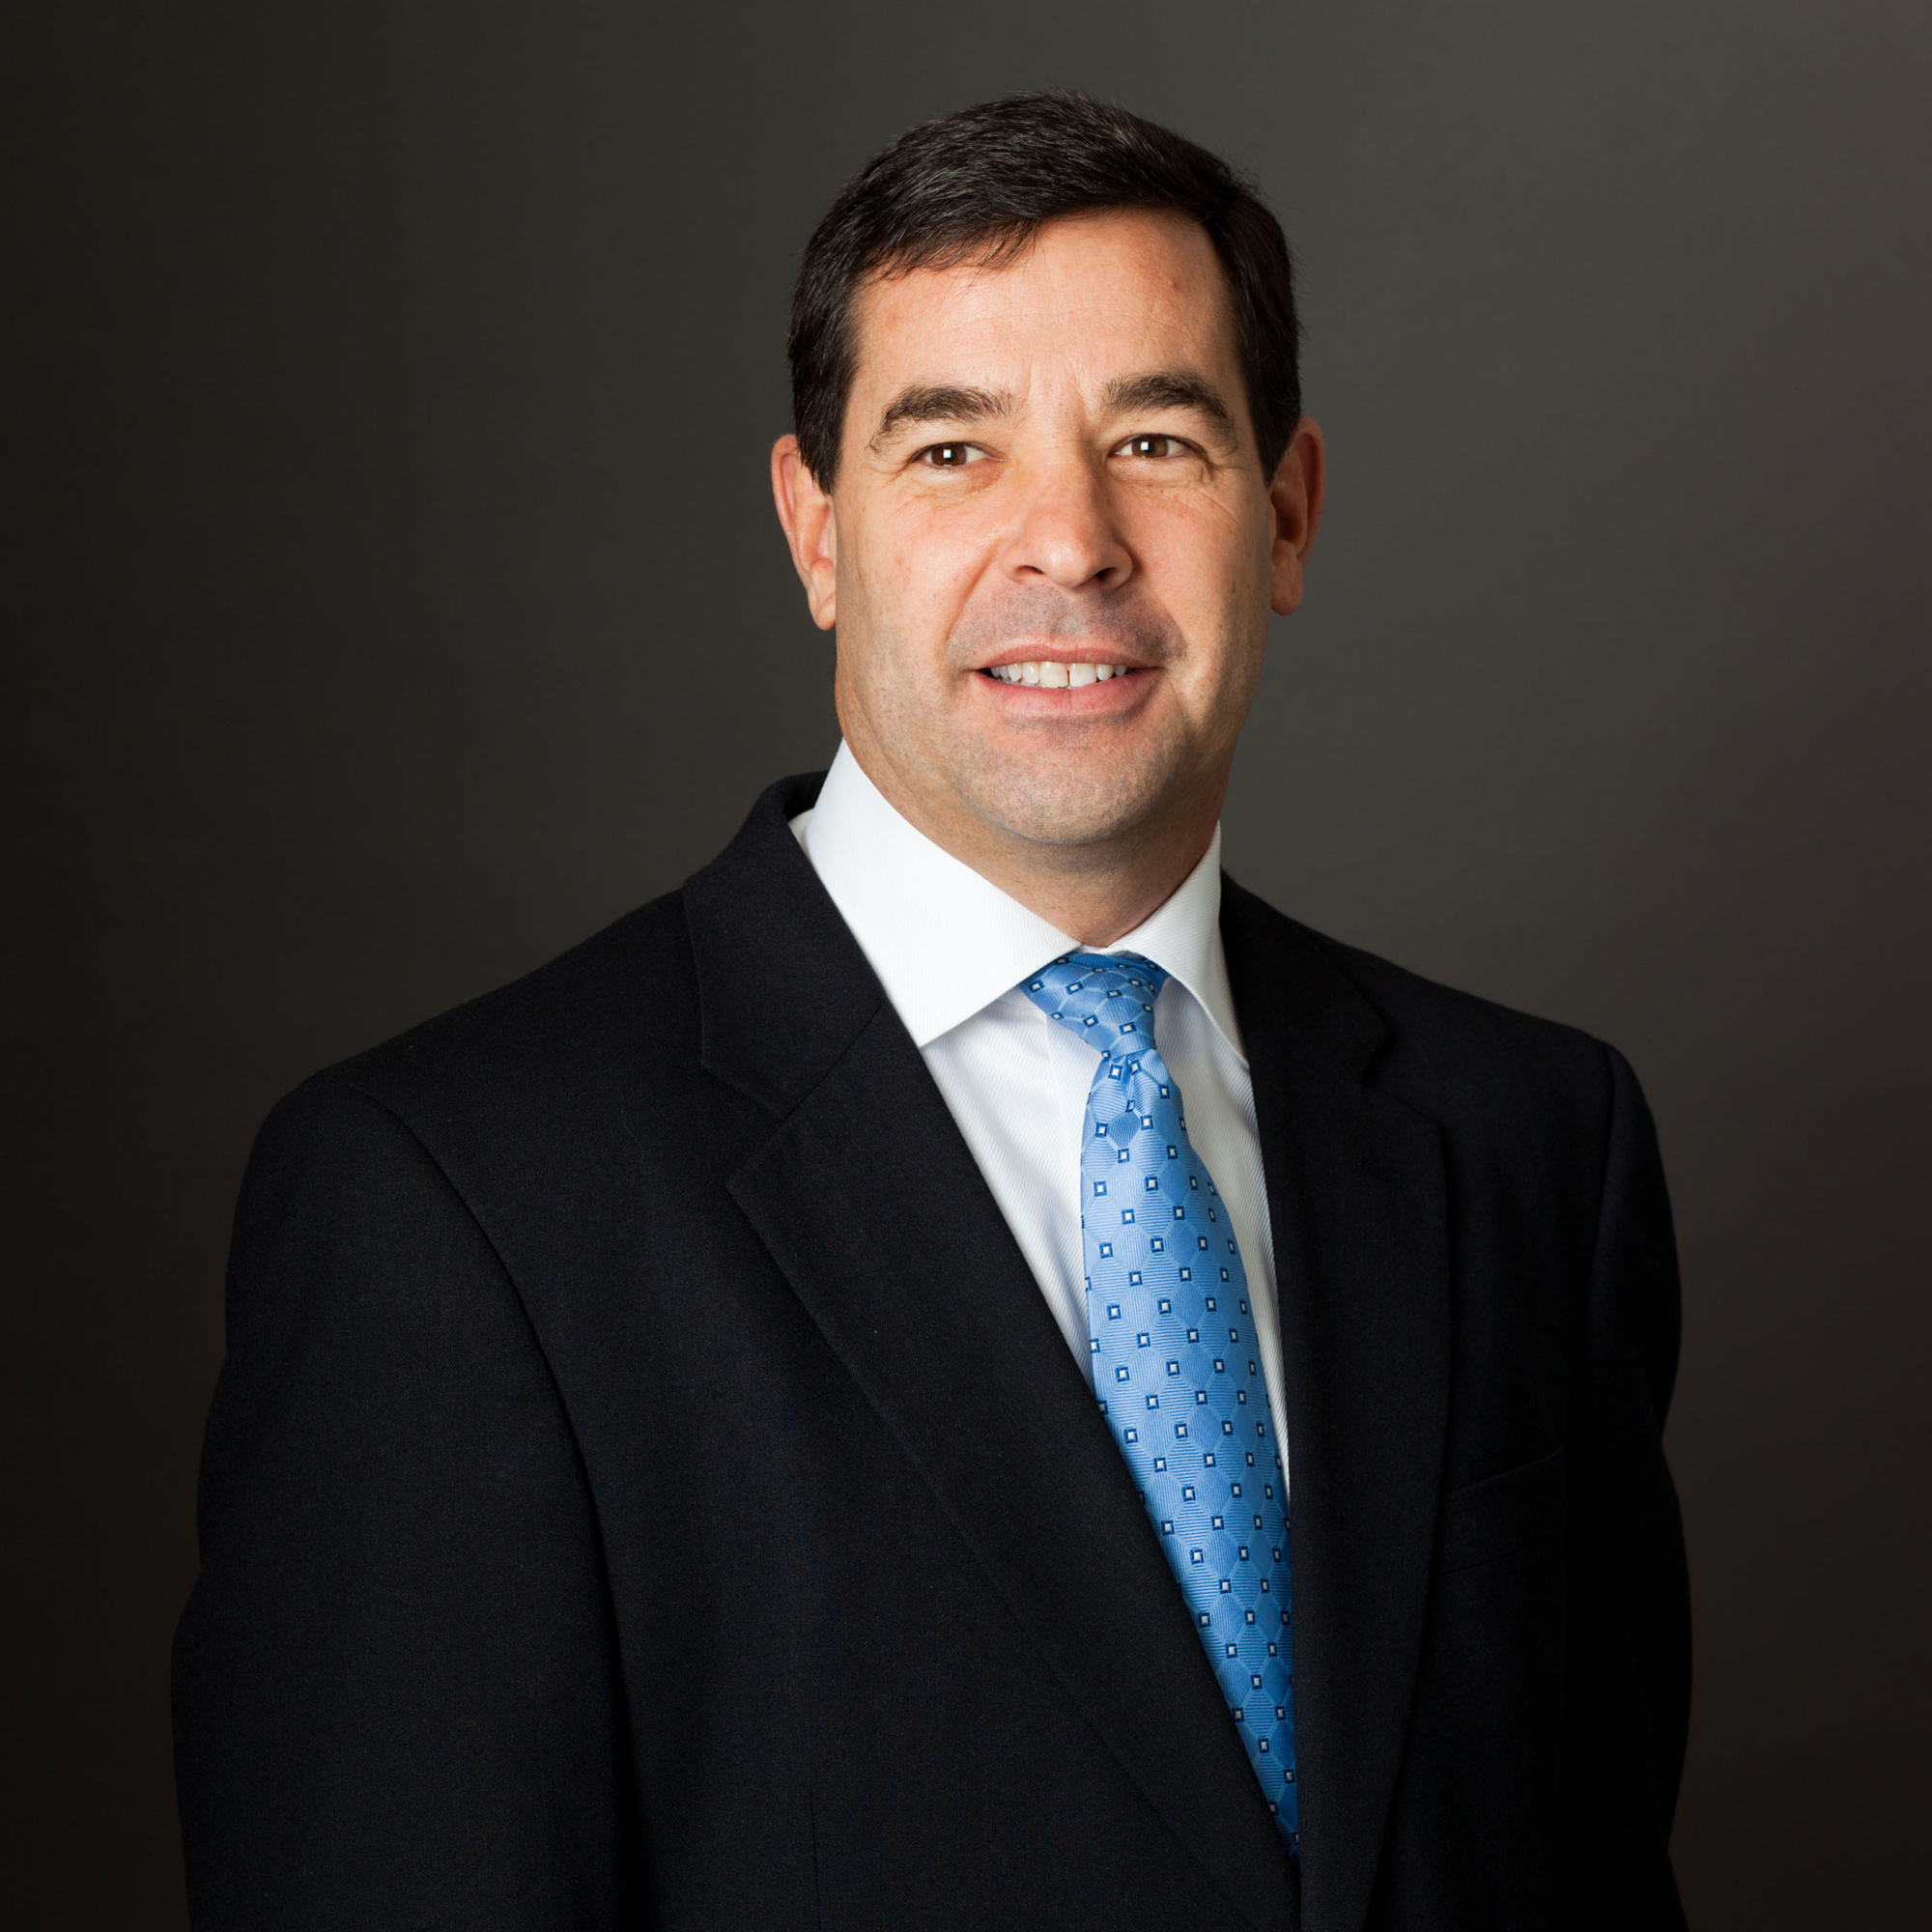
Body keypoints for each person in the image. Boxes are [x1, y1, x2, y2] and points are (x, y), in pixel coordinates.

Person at [173, 91, 1690, 1930]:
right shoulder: (454, 1210)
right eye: (954, 449)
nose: (1071, 542)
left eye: (1155, 438)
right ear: (816, 532)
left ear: (1287, 514)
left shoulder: (1533, 1148)